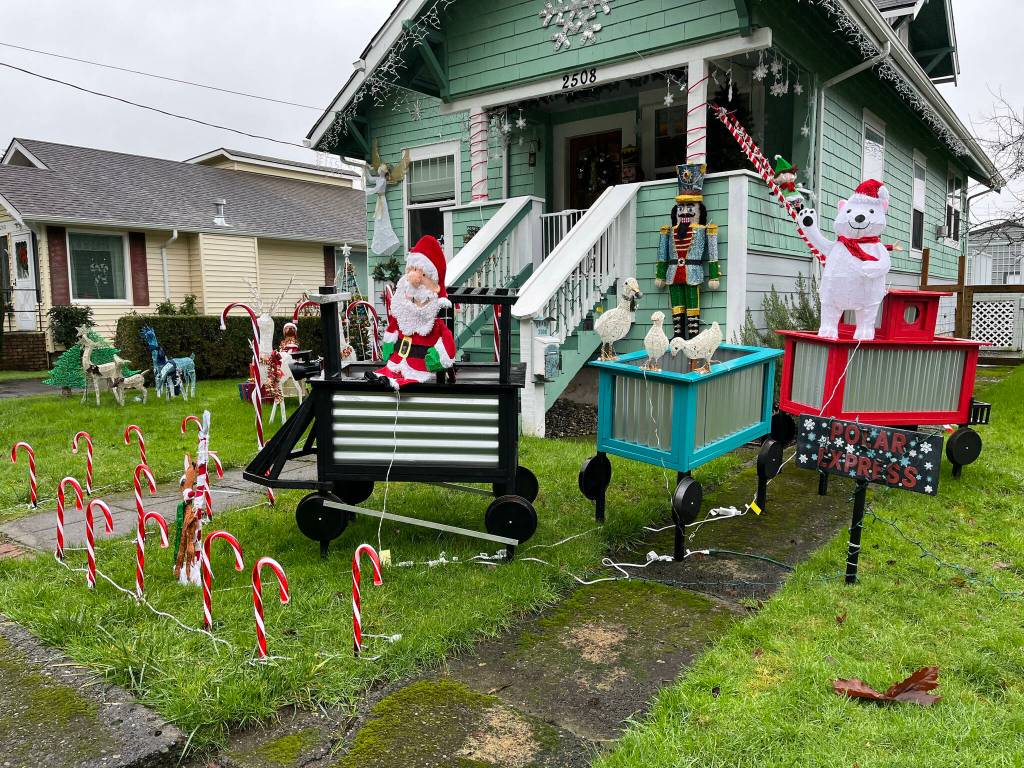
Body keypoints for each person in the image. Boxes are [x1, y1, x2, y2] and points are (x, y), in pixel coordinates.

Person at [364, 235, 457, 390]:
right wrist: (389, 342)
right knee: (388, 372)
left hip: (419, 364)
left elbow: (447, 342)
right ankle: (384, 378)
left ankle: (393, 383)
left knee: (406, 378)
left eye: (422, 274)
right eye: (412, 270)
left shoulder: (434, 321)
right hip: (398, 359)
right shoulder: (403, 313)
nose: (414, 278)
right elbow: (393, 328)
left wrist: (439, 357)